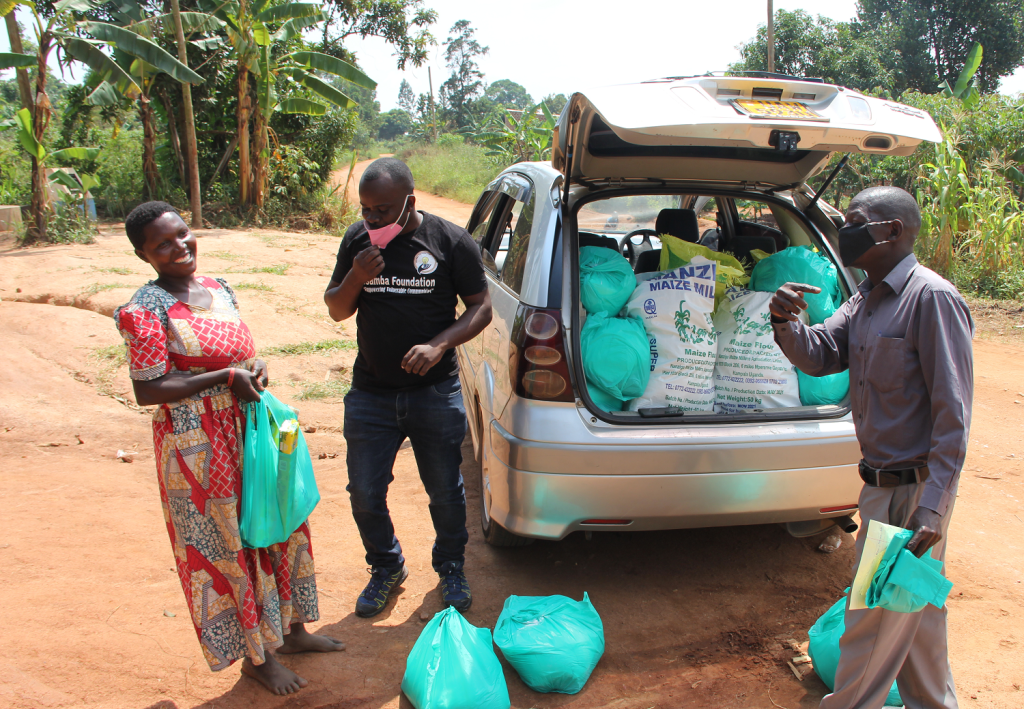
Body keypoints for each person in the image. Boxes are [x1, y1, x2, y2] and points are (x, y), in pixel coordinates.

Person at [115, 202, 343, 696]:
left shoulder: (219, 289)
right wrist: (224, 377)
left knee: (281, 522)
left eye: (182, 234)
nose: (180, 248)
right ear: (144, 255)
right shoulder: (144, 309)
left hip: (251, 429)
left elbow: (240, 354)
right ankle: (257, 659)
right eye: (163, 245)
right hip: (198, 446)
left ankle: (293, 630)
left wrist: (253, 369)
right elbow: (148, 389)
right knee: (227, 545)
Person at [769, 186, 972, 709]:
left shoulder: (932, 300)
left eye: (857, 220)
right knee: (919, 627)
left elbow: (954, 415)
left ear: (894, 231)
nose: (846, 228)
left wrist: (934, 507)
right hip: (879, 488)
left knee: (872, 624)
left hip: (913, 496)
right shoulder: (866, 297)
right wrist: (784, 321)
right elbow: (819, 355)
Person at [324, 158, 492, 618]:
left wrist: (439, 345)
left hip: (434, 393)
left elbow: (481, 308)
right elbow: (338, 309)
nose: (373, 219)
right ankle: (386, 568)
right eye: (366, 210)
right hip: (371, 394)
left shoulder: (450, 241)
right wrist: (357, 276)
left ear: (409, 203)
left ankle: (451, 567)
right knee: (364, 491)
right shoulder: (357, 242)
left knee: (445, 490)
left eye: (383, 210)